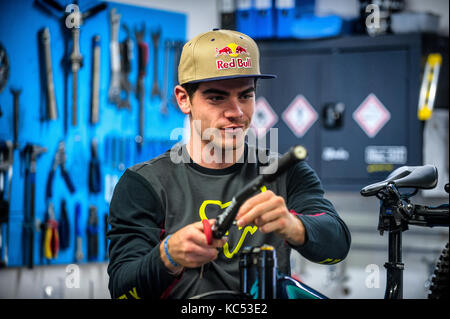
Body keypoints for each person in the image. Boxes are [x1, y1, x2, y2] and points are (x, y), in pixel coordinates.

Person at [107, 29, 351, 299]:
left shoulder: (286, 173)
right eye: (217, 98)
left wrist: (294, 226)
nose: (236, 112)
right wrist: (167, 256)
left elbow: (336, 246)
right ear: (183, 99)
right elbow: (121, 290)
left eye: (245, 96)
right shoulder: (143, 184)